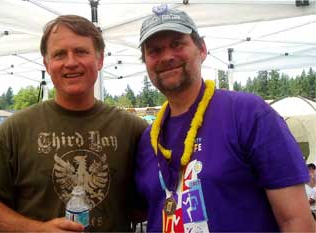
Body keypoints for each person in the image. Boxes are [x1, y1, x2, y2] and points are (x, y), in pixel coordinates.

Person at [135, 5, 315, 232]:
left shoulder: (248, 114)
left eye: (177, 44)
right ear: (146, 62)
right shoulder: (148, 140)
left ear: (202, 49)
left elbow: (296, 222)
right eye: (154, 51)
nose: (167, 56)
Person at [0, 15, 147, 232]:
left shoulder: (134, 130)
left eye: (81, 51)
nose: (71, 62)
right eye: (59, 54)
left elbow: (148, 204)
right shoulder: (14, 130)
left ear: (100, 60)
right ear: (47, 64)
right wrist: (37, 229)